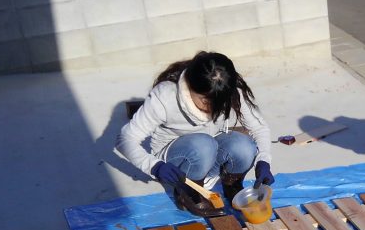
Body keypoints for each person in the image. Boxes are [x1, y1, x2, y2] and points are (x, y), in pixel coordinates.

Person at [116, 51, 275, 217]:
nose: (212, 108)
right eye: (206, 101)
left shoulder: (230, 91)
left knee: (244, 146)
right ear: (191, 87)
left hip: (210, 149)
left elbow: (259, 128)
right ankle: (189, 193)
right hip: (177, 160)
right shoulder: (165, 96)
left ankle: (232, 186)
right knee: (204, 145)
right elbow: (125, 138)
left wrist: (263, 160)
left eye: (219, 103)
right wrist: (155, 166)